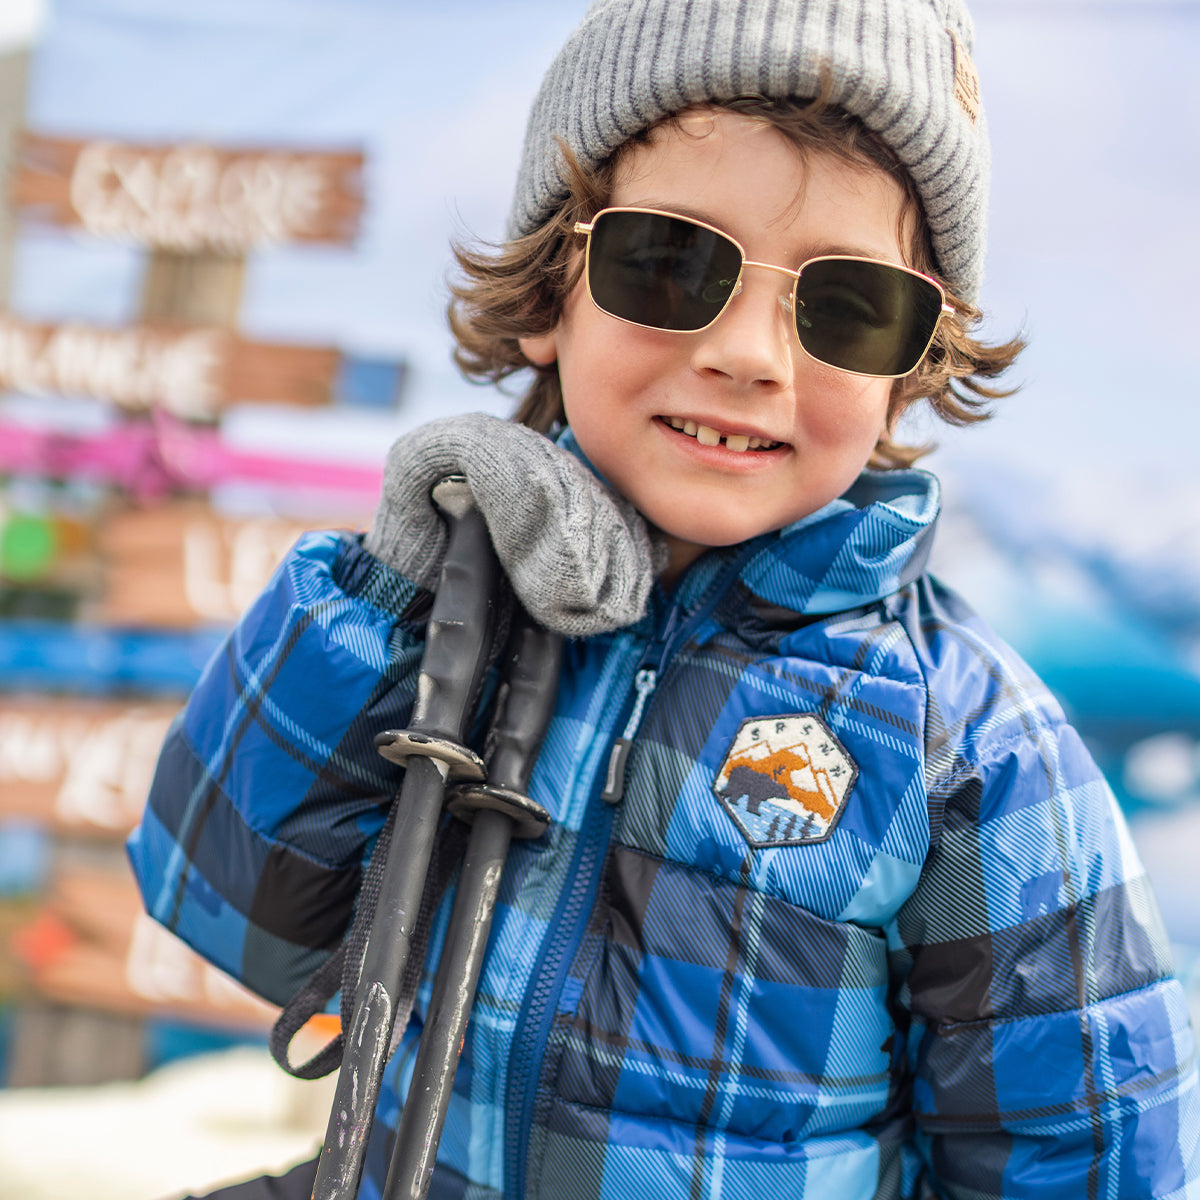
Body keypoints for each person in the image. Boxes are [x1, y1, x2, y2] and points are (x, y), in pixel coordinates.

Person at [129, 0, 1200, 1197]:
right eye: (672, 262)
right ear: (549, 296)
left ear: (910, 370)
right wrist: (403, 589)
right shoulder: (455, 602)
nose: (751, 353)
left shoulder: (964, 736)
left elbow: (1092, 1158)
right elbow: (233, 912)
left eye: (847, 306)